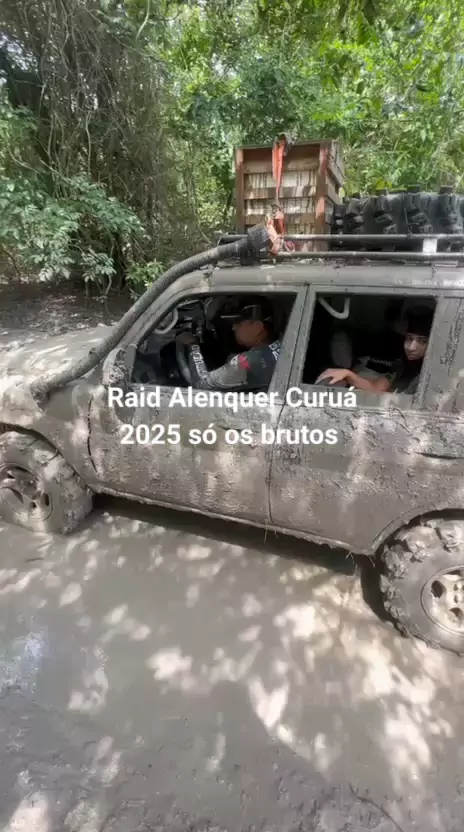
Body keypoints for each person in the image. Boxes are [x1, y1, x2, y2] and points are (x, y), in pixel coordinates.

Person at [316, 306, 434, 395]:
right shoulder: (403, 365)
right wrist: (347, 374)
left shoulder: (433, 373)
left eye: (422, 341)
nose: (411, 347)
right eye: (409, 338)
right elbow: (376, 388)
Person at [176, 301, 281, 391]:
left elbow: (201, 384)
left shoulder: (251, 361)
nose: (233, 327)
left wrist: (192, 345)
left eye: (239, 323)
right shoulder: (280, 344)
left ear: (257, 327)